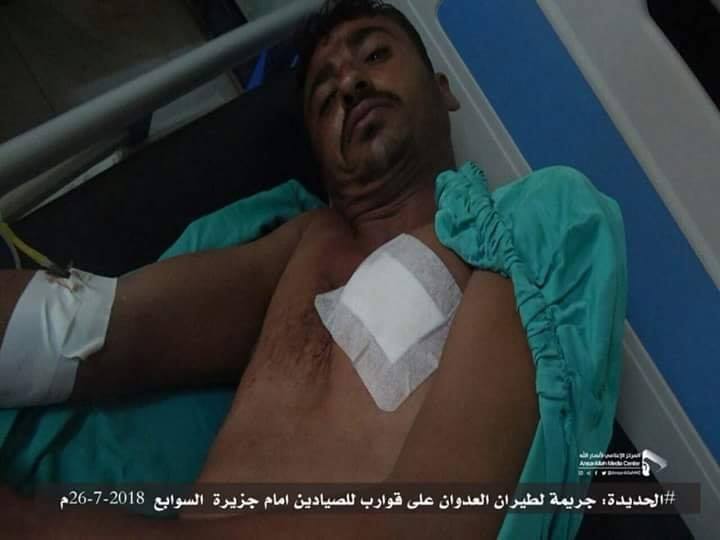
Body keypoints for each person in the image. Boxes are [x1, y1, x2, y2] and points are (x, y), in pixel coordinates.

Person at [0, 0, 540, 537]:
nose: (350, 84)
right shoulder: (307, 246)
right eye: (325, 97)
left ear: (443, 90)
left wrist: (25, 524)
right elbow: (90, 328)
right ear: (322, 160)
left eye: (376, 55)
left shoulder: (508, 245)